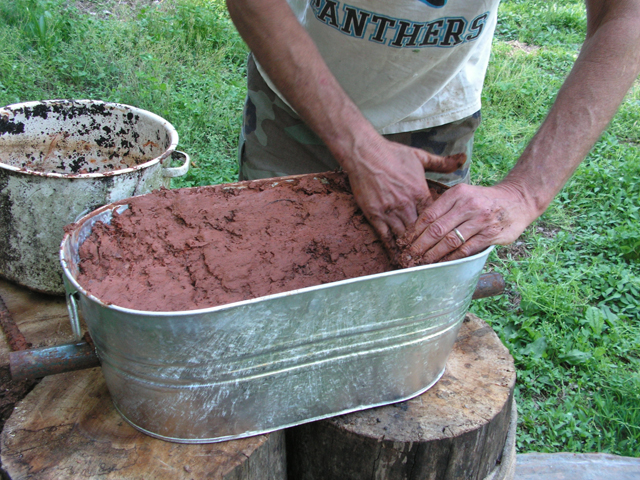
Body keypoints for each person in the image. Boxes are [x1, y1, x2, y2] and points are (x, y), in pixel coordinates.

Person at [226, 0, 640, 263]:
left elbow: (625, 13)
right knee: (265, 266)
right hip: (297, 98)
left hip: (434, 115)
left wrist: (526, 192)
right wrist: (358, 148)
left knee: (406, 292)